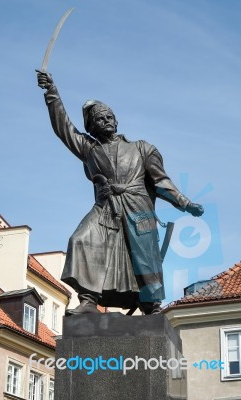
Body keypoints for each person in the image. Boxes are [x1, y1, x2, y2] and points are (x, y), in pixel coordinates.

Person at [36, 71, 204, 315]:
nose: (106, 120)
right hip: (105, 207)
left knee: (144, 257)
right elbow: (64, 128)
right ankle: (89, 301)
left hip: (137, 206)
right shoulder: (89, 148)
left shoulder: (142, 148)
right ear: (91, 127)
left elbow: (160, 181)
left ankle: (151, 305)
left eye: (109, 116)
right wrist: (51, 93)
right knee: (80, 239)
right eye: (100, 119)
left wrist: (185, 203)